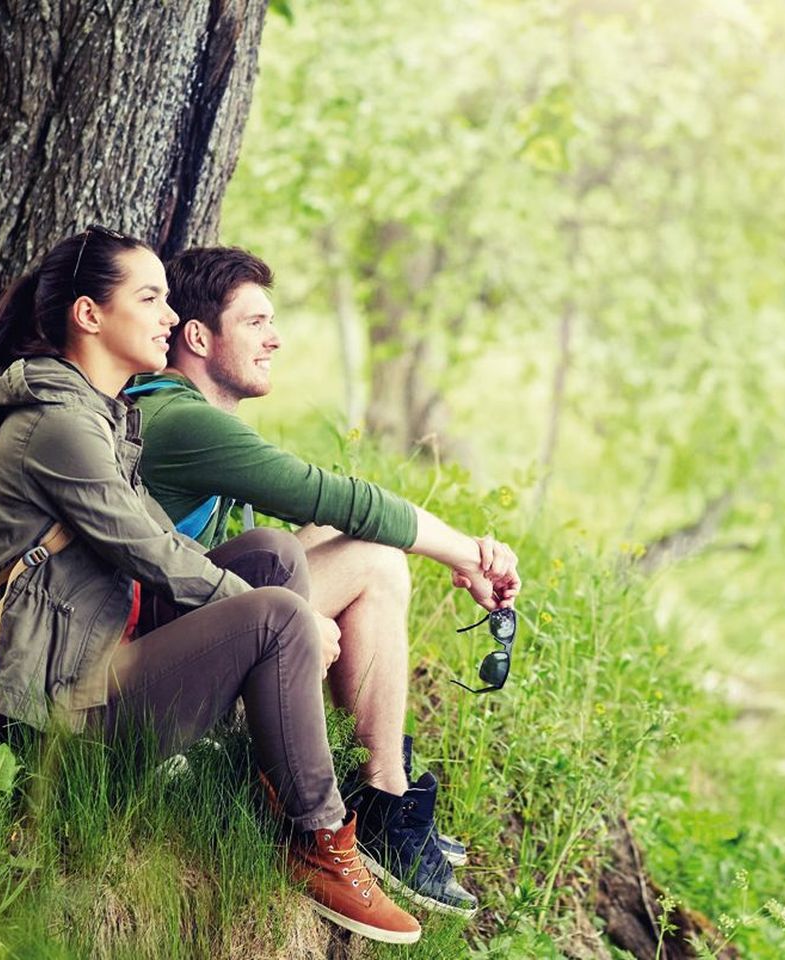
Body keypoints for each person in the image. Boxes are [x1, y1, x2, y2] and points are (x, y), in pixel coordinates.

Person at [0, 226, 420, 944]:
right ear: (90, 315)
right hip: (47, 724)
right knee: (276, 614)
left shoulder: (101, 414)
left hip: (89, 663)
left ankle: (275, 775)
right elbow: (154, 553)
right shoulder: (61, 426)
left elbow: (167, 544)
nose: (169, 318)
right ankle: (323, 838)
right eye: (150, 299)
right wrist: (295, 622)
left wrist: (276, 601)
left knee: (269, 556)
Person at [130, 246, 521, 917]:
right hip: (147, 670)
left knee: (346, 547)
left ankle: (375, 791)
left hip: (165, 629)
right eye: (255, 322)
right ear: (198, 337)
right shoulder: (182, 421)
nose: (274, 337)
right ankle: (383, 799)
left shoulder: (173, 411)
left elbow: (325, 516)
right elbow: (336, 496)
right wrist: (465, 553)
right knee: (375, 557)